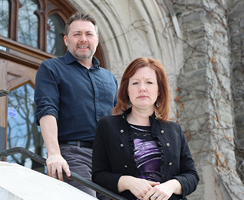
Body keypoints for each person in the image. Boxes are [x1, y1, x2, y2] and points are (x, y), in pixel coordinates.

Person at [34, 12, 118, 197]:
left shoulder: (110, 78)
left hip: (108, 161)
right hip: (72, 156)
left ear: (96, 39)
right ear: (66, 40)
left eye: (88, 34)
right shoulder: (51, 68)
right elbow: (47, 110)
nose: (83, 39)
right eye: (76, 34)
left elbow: (118, 121)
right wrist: (54, 154)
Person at [92, 57, 199, 200]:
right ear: (127, 90)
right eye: (135, 83)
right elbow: (98, 176)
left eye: (149, 82)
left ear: (159, 90)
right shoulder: (107, 125)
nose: (142, 88)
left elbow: (192, 176)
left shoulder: (174, 130)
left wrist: (170, 186)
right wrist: (127, 182)